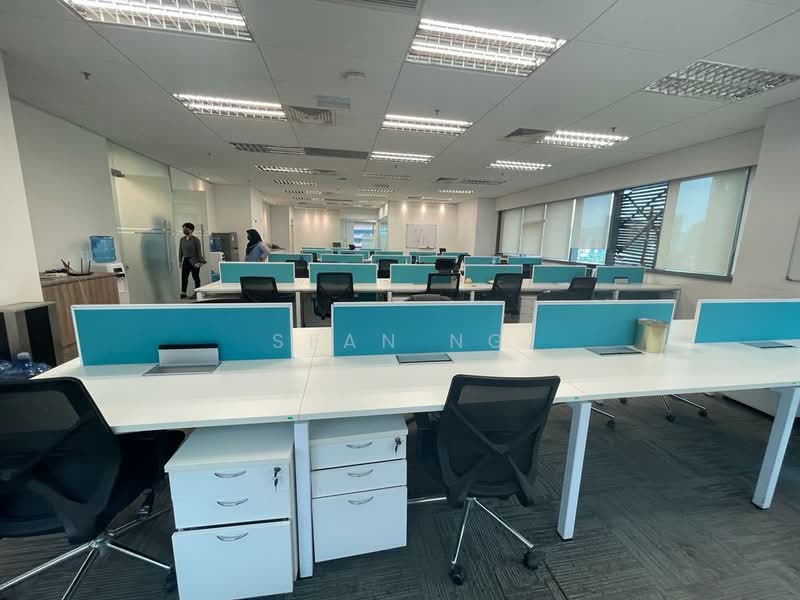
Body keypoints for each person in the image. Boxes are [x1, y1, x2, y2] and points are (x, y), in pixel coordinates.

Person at [178, 222, 204, 298]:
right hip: (186, 260)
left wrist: (200, 262)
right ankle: (183, 293)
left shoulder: (196, 240)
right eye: (183, 228)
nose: (184, 230)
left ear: (191, 230)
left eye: (186, 228)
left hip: (194, 259)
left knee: (195, 277)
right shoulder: (182, 239)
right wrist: (180, 261)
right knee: (184, 277)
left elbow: (199, 252)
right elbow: (180, 251)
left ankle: (197, 293)